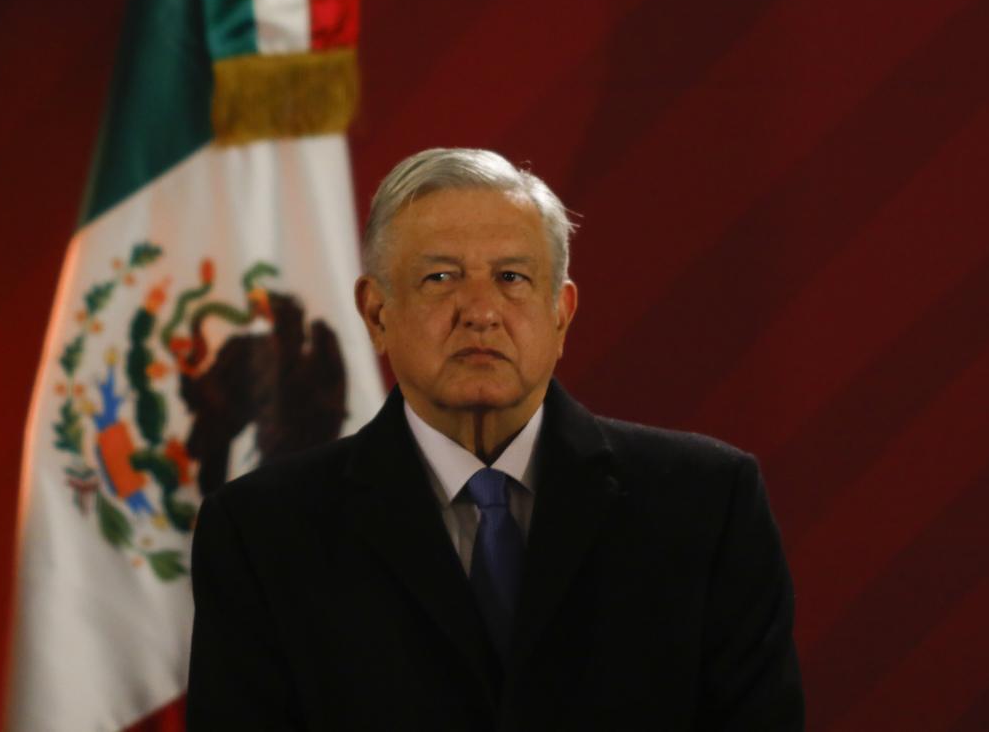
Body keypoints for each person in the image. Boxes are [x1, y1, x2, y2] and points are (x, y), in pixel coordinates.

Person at [187, 148, 803, 730]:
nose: (479, 310)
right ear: (377, 313)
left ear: (560, 313)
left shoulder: (708, 505)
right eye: (440, 277)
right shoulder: (260, 534)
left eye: (511, 277)